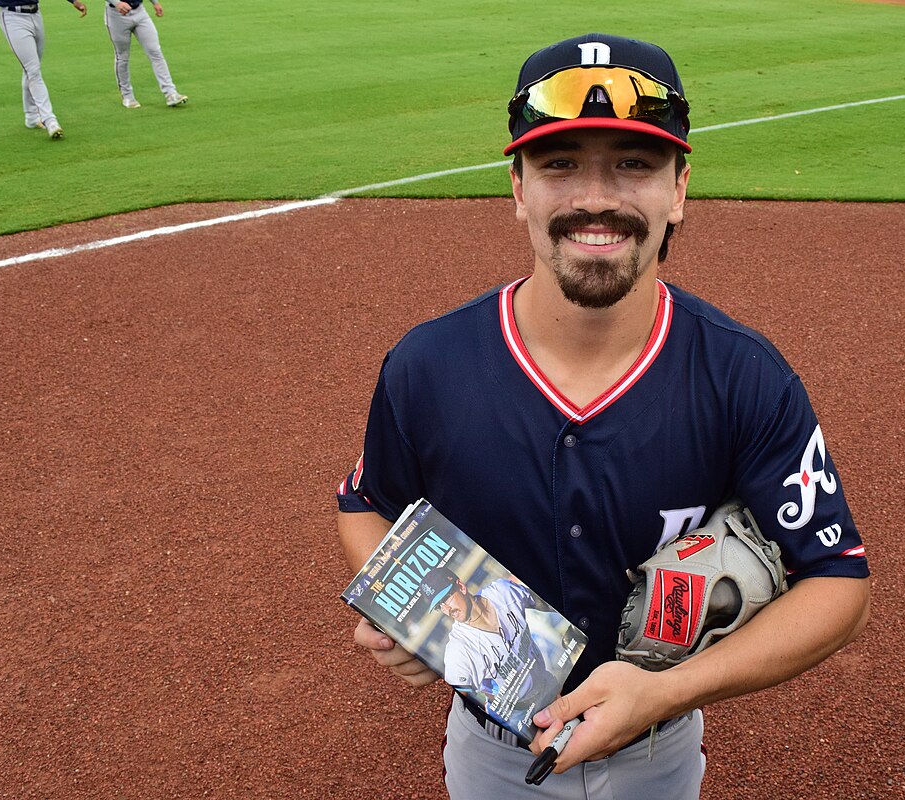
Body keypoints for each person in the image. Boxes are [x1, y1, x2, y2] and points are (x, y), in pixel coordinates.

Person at [337, 32, 871, 799]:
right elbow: (366, 505)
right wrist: (409, 609)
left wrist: (666, 693)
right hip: (492, 756)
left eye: (633, 163)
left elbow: (838, 581)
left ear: (679, 189)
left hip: (661, 751)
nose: (596, 197)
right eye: (560, 165)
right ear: (517, 187)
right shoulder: (427, 366)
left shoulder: (743, 375)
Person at [420, 567, 562, 738]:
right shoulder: (458, 650)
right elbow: (461, 705)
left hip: (547, 684)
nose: (446, 609)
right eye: (439, 606)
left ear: (461, 586)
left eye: (445, 598)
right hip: (516, 718)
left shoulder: (502, 592)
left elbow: (544, 604)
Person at [0, 0, 87, 139]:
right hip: (12, 17)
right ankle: (50, 120)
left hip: (36, 14)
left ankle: (31, 117)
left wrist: (74, 1)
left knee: (31, 69)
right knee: (32, 70)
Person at [103, 0, 186, 108]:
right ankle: (127, 96)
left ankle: (171, 93)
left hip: (140, 12)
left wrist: (155, 2)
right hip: (116, 15)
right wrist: (117, 2)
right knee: (122, 56)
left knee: (155, 52)